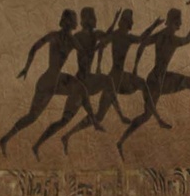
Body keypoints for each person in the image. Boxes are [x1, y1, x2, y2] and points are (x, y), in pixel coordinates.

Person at [59, 10, 165, 153]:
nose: (126, 24)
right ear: (126, 23)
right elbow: (104, 45)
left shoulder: (120, 35)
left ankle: (156, 117)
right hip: (116, 77)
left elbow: (102, 46)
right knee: (100, 115)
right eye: (126, 21)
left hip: (118, 75)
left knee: (141, 85)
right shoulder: (121, 36)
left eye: (126, 21)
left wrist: (154, 25)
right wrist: (154, 25)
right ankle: (67, 135)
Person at [116, 9, 190, 158]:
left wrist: (136, 66)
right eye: (178, 21)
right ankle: (121, 141)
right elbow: (188, 39)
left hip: (162, 78)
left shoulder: (161, 35)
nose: (180, 24)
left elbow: (142, 45)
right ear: (174, 21)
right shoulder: (170, 38)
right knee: (146, 115)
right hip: (155, 81)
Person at [29, 8, 119, 159]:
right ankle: (38, 144)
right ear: (86, 20)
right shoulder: (77, 37)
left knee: (106, 82)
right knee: (64, 120)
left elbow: (106, 36)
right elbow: (86, 51)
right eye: (93, 17)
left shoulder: (94, 35)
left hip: (86, 81)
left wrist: (114, 22)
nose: (95, 20)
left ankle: (77, 130)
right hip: (81, 81)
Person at [0, 9, 83, 156]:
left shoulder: (67, 39)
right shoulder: (60, 37)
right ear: (68, 22)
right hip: (48, 82)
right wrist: (26, 68)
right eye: (73, 19)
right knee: (32, 117)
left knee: (80, 89)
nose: (75, 23)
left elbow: (85, 54)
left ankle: (62, 124)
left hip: (56, 80)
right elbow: (34, 48)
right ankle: (5, 139)